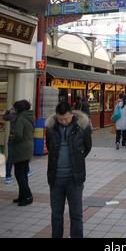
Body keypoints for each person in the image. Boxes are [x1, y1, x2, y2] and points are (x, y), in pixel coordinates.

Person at [45, 101, 92, 238]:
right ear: (56, 117)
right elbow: (50, 148)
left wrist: (76, 159)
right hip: (56, 179)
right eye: (60, 119)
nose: (64, 121)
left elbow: (87, 147)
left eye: (66, 118)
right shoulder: (51, 128)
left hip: (74, 179)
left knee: (76, 214)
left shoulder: (82, 127)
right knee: (56, 215)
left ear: (72, 114)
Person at [11, 100, 35, 206]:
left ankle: (28, 196)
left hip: (21, 149)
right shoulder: (29, 117)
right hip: (28, 147)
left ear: (18, 109)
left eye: (15, 108)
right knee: (23, 173)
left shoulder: (20, 119)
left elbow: (18, 134)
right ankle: (22, 196)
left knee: (19, 174)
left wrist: (13, 141)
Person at [3, 106, 17, 184]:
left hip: (11, 137)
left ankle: (8, 176)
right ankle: (27, 171)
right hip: (20, 138)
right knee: (23, 156)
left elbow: (4, 117)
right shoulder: (23, 116)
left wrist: (8, 110)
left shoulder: (12, 115)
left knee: (10, 158)